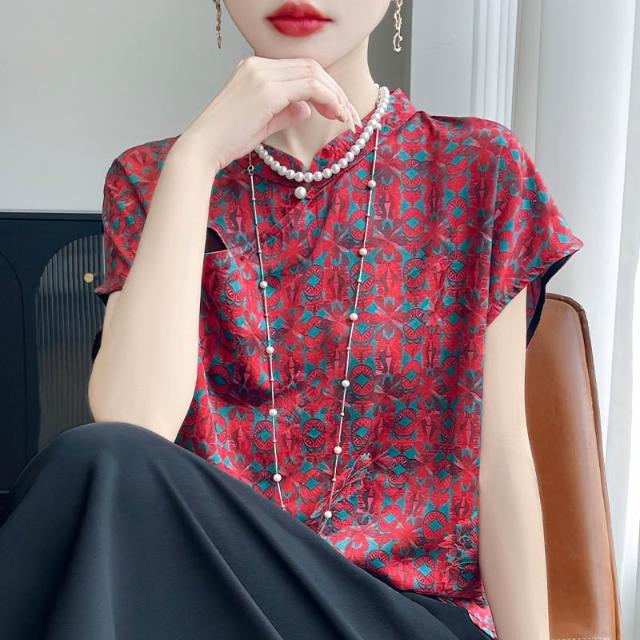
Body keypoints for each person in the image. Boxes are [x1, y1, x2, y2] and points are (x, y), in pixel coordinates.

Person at [0, 1, 584, 639]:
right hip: (216, 603)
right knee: (94, 461)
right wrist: (197, 159)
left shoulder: (478, 169)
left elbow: (500, 458)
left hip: (399, 619)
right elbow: (132, 426)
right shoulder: (151, 178)